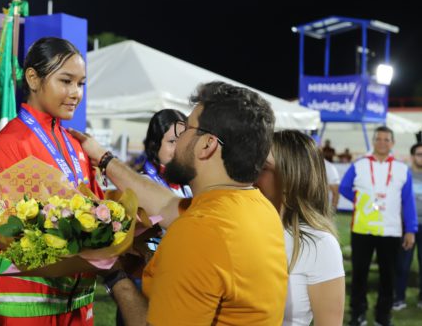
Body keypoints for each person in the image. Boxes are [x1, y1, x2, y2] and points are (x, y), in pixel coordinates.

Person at [70, 81, 287, 325]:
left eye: (186, 129)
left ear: (207, 145)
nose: (179, 139)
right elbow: (166, 205)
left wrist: (114, 275)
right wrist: (105, 159)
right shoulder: (257, 207)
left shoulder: (198, 231)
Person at [0, 37, 103, 325]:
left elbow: (96, 211)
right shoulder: (6, 146)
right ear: (33, 78)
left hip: (77, 305)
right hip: (22, 307)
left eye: (81, 84)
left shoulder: (77, 145)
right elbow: (3, 227)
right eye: (66, 81)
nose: (75, 93)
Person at [256, 130, 345, 326]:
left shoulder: (319, 244)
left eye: (262, 167)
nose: (251, 175)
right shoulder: (246, 228)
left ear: (289, 178)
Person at [339, 126, 418, 326]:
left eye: (386, 139)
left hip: (390, 230)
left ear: (392, 143)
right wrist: (362, 204)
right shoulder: (360, 165)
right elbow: (344, 188)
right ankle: (358, 313)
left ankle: (383, 315)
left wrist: (410, 229)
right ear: (373, 141)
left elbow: (408, 202)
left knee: (388, 276)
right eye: (379, 139)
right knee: (359, 274)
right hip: (362, 229)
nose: (382, 142)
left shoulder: (401, 169)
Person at [393, 142, 422, 310]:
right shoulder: (405, 175)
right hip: (407, 226)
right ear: (412, 157)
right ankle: (399, 297)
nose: (421, 158)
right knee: (402, 264)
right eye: (419, 154)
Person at [137, 109, 191, 198]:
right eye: (172, 141)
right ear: (154, 145)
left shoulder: (190, 184)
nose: (179, 148)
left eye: (184, 141)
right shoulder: (143, 184)